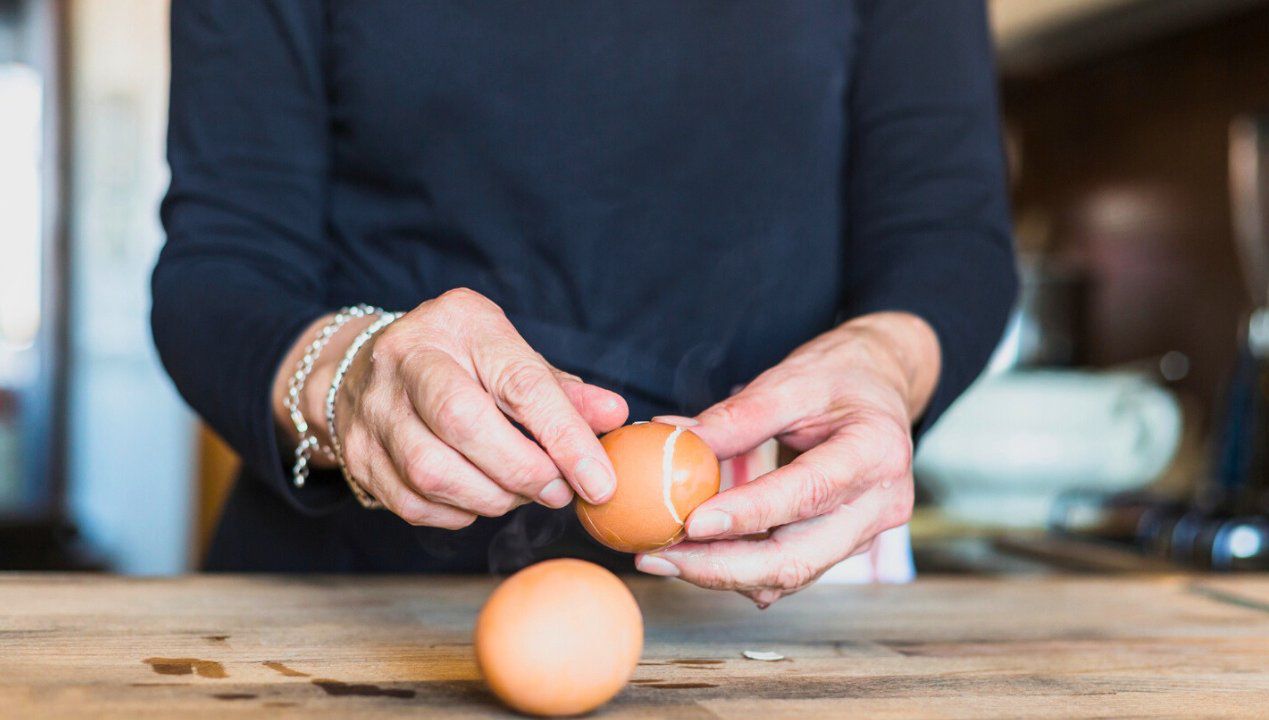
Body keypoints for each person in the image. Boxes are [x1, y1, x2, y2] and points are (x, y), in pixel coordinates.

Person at [152, 0, 1016, 606]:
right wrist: (350, 379)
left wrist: (885, 361)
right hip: (354, 604)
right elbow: (220, 268)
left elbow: (948, 240)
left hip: (772, 609)